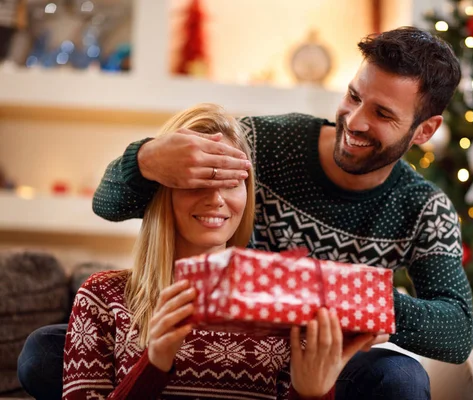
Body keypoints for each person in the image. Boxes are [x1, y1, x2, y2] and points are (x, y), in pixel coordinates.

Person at [19, 26, 473, 400]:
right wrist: (146, 158)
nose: (354, 120)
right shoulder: (260, 143)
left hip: (311, 348)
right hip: (214, 322)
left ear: (424, 130)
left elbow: (456, 331)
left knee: (400, 380)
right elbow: (109, 204)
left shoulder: (424, 208)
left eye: (382, 113)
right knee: (43, 351)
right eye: (353, 96)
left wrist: (332, 294)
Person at [59, 103, 380, 399]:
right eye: (197, 180)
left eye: (230, 181)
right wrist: (153, 365)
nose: (215, 198)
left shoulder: (285, 305)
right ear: (163, 189)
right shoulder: (102, 296)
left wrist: (311, 394)